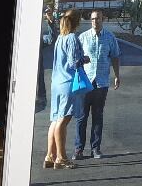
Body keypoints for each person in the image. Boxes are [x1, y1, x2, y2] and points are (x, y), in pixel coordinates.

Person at [75, 10, 122, 160]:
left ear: (103, 20)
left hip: (101, 83)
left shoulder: (110, 37)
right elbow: (75, 58)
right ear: (90, 20)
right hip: (85, 83)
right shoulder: (82, 37)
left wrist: (117, 76)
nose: (95, 21)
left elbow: (115, 57)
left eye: (98, 19)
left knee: (97, 116)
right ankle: (78, 149)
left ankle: (95, 148)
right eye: (93, 19)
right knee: (82, 117)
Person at [46, 9, 89, 170]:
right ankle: (61, 158)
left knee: (55, 120)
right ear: (77, 21)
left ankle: (50, 156)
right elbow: (73, 62)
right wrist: (85, 59)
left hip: (56, 83)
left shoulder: (60, 38)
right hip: (68, 84)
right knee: (63, 121)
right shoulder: (72, 38)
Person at [38, 6, 56, 104]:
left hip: (38, 96)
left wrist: (51, 22)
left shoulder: (39, 39)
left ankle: (41, 96)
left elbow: (52, 39)